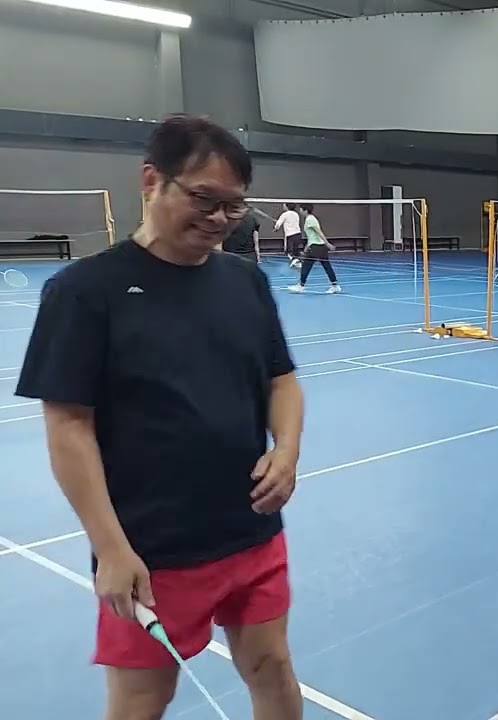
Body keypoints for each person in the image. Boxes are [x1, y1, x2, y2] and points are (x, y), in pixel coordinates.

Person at [15, 115, 305, 720]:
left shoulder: (245, 282)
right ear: (152, 180)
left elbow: (281, 379)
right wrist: (111, 550)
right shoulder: (84, 292)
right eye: (204, 198)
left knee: (271, 666)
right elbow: (69, 428)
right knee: (143, 701)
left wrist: (287, 449)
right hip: (153, 550)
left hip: (251, 530)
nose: (220, 219)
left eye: (234, 207)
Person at [288, 203, 341, 294]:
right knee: (326, 266)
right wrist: (307, 247)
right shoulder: (310, 219)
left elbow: (319, 232)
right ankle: (335, 285)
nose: (300, 211)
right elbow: (312, 235)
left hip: (316, 247)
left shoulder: (310, 219)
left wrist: (327, 243)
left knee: (306, 266)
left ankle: (301, 286)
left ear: (305, 210)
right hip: (317, 246)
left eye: (301, 209)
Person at [274, 202, 303, 268]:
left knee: (289, 252)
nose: (283, 206)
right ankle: (297, 263)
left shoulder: (284, 214)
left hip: (290, 235)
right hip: (298, 234)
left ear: (287, 206)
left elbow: (278, 224)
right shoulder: (296, 214)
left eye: (284, 205)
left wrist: (276, 228)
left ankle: (295, 261)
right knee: (296, 250)